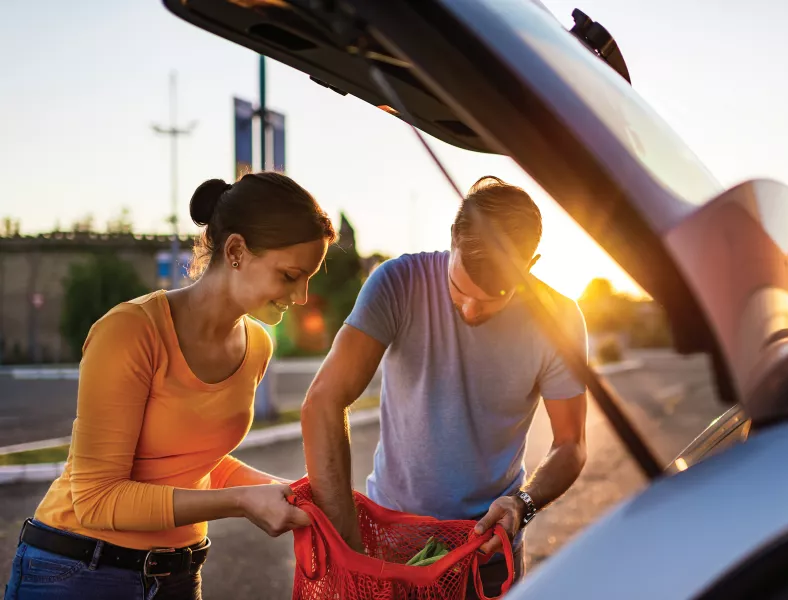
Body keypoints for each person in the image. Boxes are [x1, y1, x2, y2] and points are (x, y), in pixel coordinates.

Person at [4, 172, 336, 600]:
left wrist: (289, 493)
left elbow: (194, 462)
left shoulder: (257, 346)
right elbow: (96, 499)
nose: (303, 296)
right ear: (236, 251)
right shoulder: (131, 331)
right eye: (290, 275)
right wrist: (242, 502)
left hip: (178, 577)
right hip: (77, 572)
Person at [301, 176, 588, 597]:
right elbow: (323, 401)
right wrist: (348, 544)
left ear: (530, 263)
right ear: (453, 236)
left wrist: (522, 505)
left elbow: (571, 443)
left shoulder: (559, 319)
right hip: (390, 546)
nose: (470, 310)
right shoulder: (397, 282)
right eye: (459, 290)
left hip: (485, 552)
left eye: (493, 299)